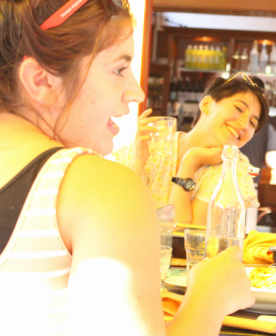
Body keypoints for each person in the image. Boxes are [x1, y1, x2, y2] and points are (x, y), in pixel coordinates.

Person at [0, 1, 253, 335]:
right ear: (42, 81)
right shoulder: (100, 187)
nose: (136, 92)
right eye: (119, 69)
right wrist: (210, 295)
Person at [114, 73, 269, 225]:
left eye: (252, 123)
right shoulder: (155, 144)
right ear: (206, 104)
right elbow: (118, 212)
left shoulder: (234, 168)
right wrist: (139, 160)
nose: (243, 124)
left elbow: (184, 235)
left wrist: (191, 162)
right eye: (239, 109)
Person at [240, 78, 276, 184]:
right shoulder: (268, 122)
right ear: (263, 97)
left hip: (218, 180)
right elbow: (273, 161)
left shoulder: (227, 116)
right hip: (250, 182)